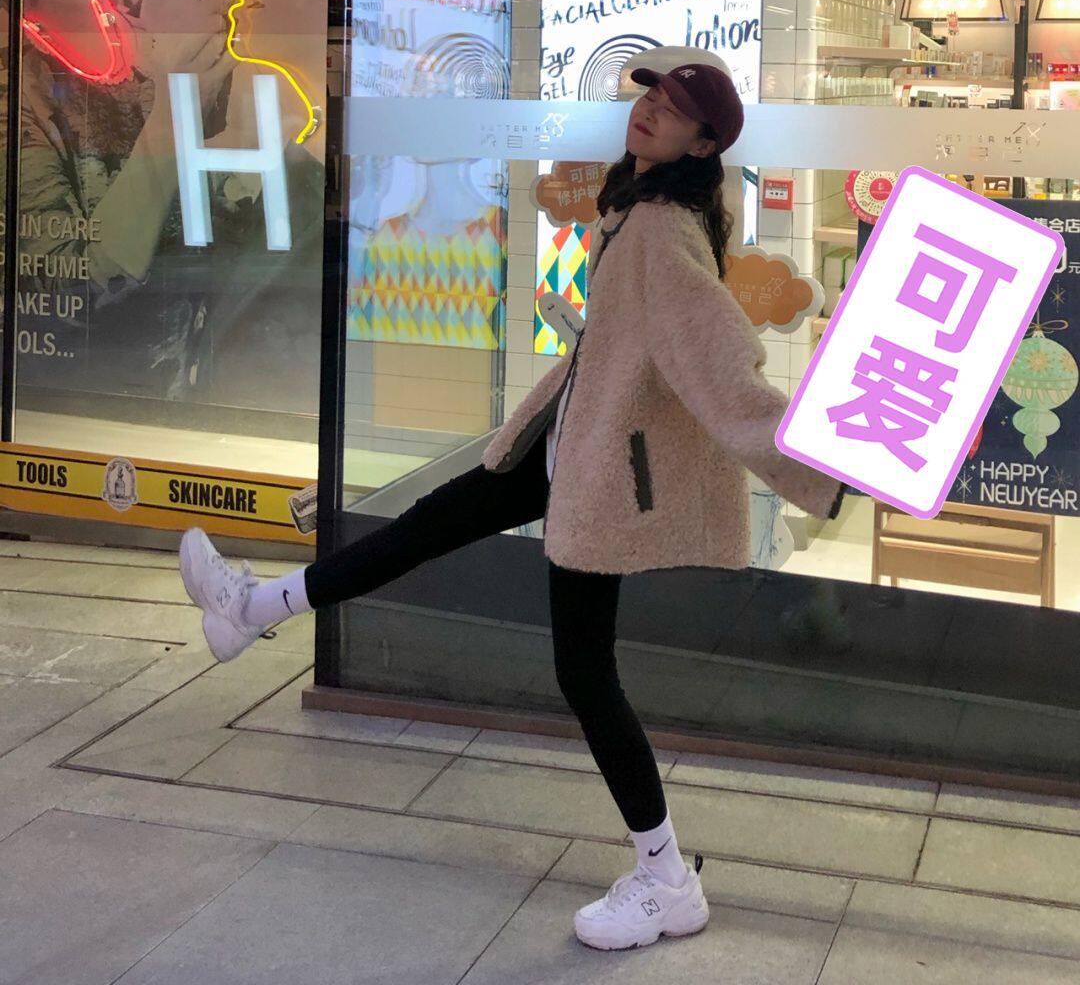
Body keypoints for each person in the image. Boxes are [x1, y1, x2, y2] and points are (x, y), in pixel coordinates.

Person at [179, 62, 845, 952]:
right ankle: (255, 608)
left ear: (704, 143)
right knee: (427, 525)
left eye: (675, 109)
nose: (650, 110)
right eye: (650, 95)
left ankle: (665, 878)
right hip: (566, 449)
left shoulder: (659, 232)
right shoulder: (638, 210)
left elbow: (726, 368)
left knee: (584, 673)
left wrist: (826, 468)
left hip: (600, 479)